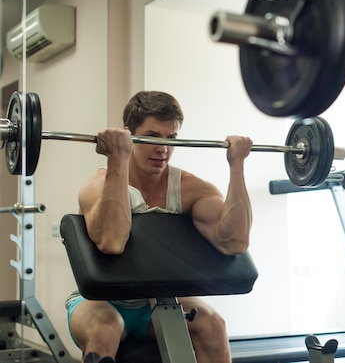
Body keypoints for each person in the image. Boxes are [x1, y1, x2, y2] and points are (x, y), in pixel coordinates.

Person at [65, 91, 253, 363]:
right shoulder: (98, 185)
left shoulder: (189, 188)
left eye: (171, 138)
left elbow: (234, 241)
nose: (162, 149)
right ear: (129, 135)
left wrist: (237, 166)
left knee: (214, 326)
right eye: (152, 136)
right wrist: (117, 157)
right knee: (106, 329)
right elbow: (112, 241)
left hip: (161, 302)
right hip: (99, 302)